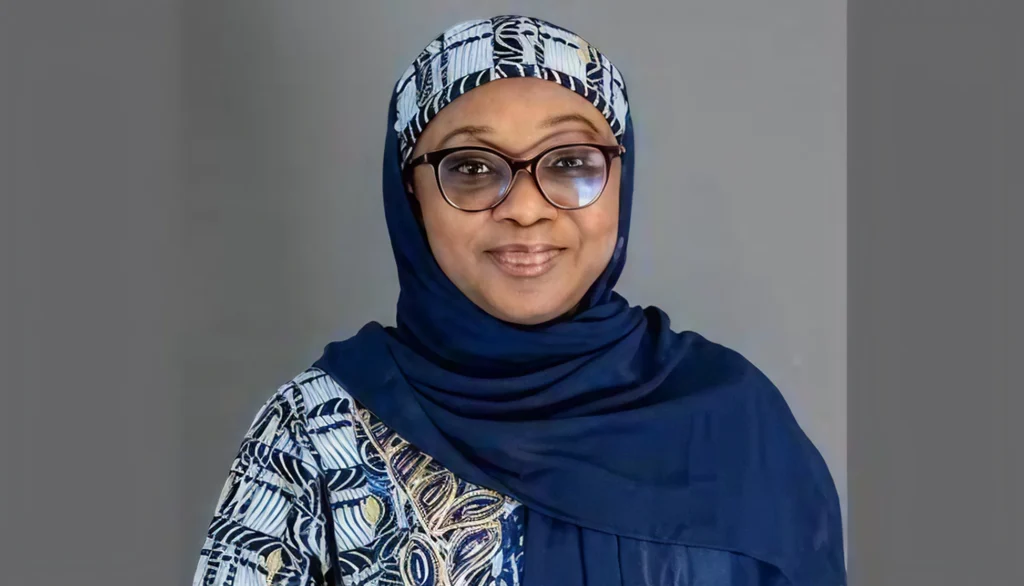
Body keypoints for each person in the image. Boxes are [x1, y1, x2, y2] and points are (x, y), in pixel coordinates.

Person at [192, 15, 845, 586]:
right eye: (472, 168)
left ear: (622, 176)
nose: (526, 209)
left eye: (570, 163)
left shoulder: (736, 425)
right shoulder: (315, 432)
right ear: (411, 192)